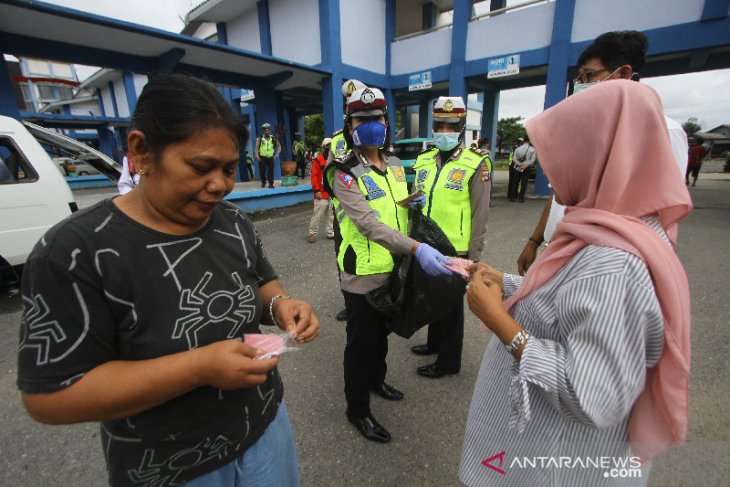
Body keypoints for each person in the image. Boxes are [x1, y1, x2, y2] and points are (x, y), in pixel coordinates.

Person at [17, 73, 320, 487]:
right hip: (168, 468)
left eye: (230, 169)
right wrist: (198, 367)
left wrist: (282, 306)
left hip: (265, 432)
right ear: (141, 151)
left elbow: (263, 281)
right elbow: (49, 397)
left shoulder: (231, 221)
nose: (219, 186)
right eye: (201, 167)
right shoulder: (74, 251)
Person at [459, 81, 692, 487]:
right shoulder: (615, 226)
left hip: (556, 465)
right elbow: (571, 300)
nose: (549, 168)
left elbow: (593, 394)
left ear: (597, 155)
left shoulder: (615, 264)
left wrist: (500, 321)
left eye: (560, 153)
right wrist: (510, 283)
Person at [322, 86, 452, 443]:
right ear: (350, 126)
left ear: (386, 122)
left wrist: (408, 201)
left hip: (391, 268)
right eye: (361, 119)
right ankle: (357, 410)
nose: (370, 124)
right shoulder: (343, 171)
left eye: (376, 118)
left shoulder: (394, 164)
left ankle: (376, 380)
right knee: (361, 343)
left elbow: (390, 205)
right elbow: (366, 223)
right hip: (362, 272)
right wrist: (417, 248)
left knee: (380, 338)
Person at [516, 30, 689, 276]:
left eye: (589, 75)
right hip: (563, 246)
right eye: (579, 77)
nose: (581, 84)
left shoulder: (663, 131)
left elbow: (658, 212)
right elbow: (561, 195)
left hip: (599, 263)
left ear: (624, 73)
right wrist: (535, 240)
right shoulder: (592, 132)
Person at [409, 96, 492, 379]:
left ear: (461, 127)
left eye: (450, 126)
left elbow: (480, 214)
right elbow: (420, 195)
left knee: (452, 307)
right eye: (439, 125)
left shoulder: (475, 163)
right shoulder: (424, 160)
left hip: (456, 245)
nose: (444, 131)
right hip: (427, 241)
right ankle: (434, 344)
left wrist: (474, 256)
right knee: (433, 298)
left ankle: (448, 361)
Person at [307, 138, 334, 243]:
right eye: (327, 146)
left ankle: (330, 233)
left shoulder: (335, 160)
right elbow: (314, 177)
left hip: (332, 194)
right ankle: (312, 234)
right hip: (321, 194)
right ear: (323, 148)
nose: (330, 148)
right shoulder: (318, 160)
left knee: (331, 216)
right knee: (317, 216)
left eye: (331, 145)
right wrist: (317, 190)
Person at [509, 135, 535, 203]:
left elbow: (514, 159)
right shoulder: (532, 149)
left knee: (515, 182)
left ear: (523, 140)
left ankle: (512, 197)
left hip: (518, 167)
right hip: (526, 168)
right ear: (529, 140)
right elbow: (532, 160)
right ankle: (521, 198)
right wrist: (526, 165)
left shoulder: (518, 149)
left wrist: (519, 164)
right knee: (524, 183)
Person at [255, 122, 281, 189]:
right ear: (263, 130)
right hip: (262, 157)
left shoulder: (273, 138)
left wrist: (277, 154)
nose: (266, 131)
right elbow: (256, 147)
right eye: (265, 129)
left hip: (270, 157)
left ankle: (271, 184)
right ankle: (263, 182)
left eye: (267, 129)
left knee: (271, 171)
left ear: (269, 130)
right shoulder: (260, 138)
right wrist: (257, 155)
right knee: (262, 171)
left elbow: (279, 146)